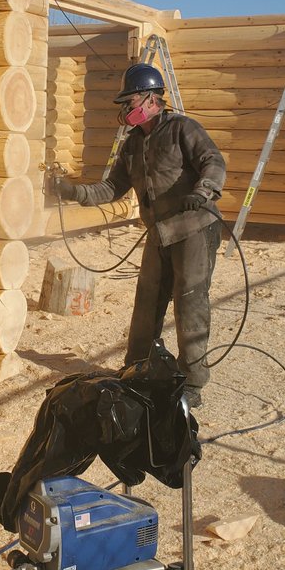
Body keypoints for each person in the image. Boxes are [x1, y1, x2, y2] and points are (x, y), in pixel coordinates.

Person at [54, 63, 226, 409]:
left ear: (150, 99)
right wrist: (72, 193)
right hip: (159, 232)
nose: (126, 110)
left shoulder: (183, 129)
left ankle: (192, 383)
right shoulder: (133, 144)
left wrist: (203, 191)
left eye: (129, 102)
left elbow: (213, 161)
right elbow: (112, 188)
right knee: (147, 304)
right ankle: (137, 369)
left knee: (190, 303)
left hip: (193, 227)